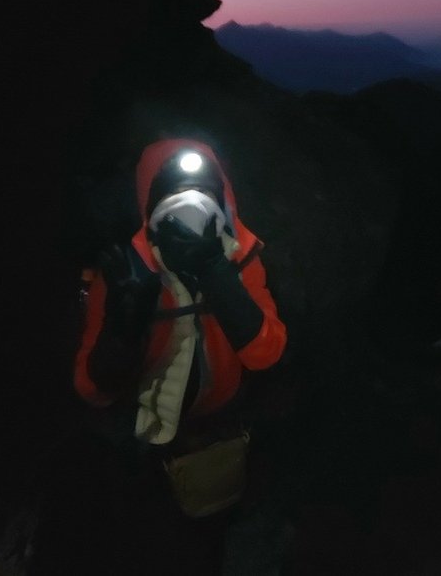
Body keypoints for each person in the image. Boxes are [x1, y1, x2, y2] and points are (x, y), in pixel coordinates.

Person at [73, 138, 287, 517]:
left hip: (217, 423)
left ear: (223, 200)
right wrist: (121, 330)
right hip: (144, 437)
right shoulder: (125, 277)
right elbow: (93, 390)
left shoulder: (241, 262)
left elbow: (265, 353)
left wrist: (215, 270)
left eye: (204, 191)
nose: (191, 204)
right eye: (173, 193)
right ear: (149, 204)